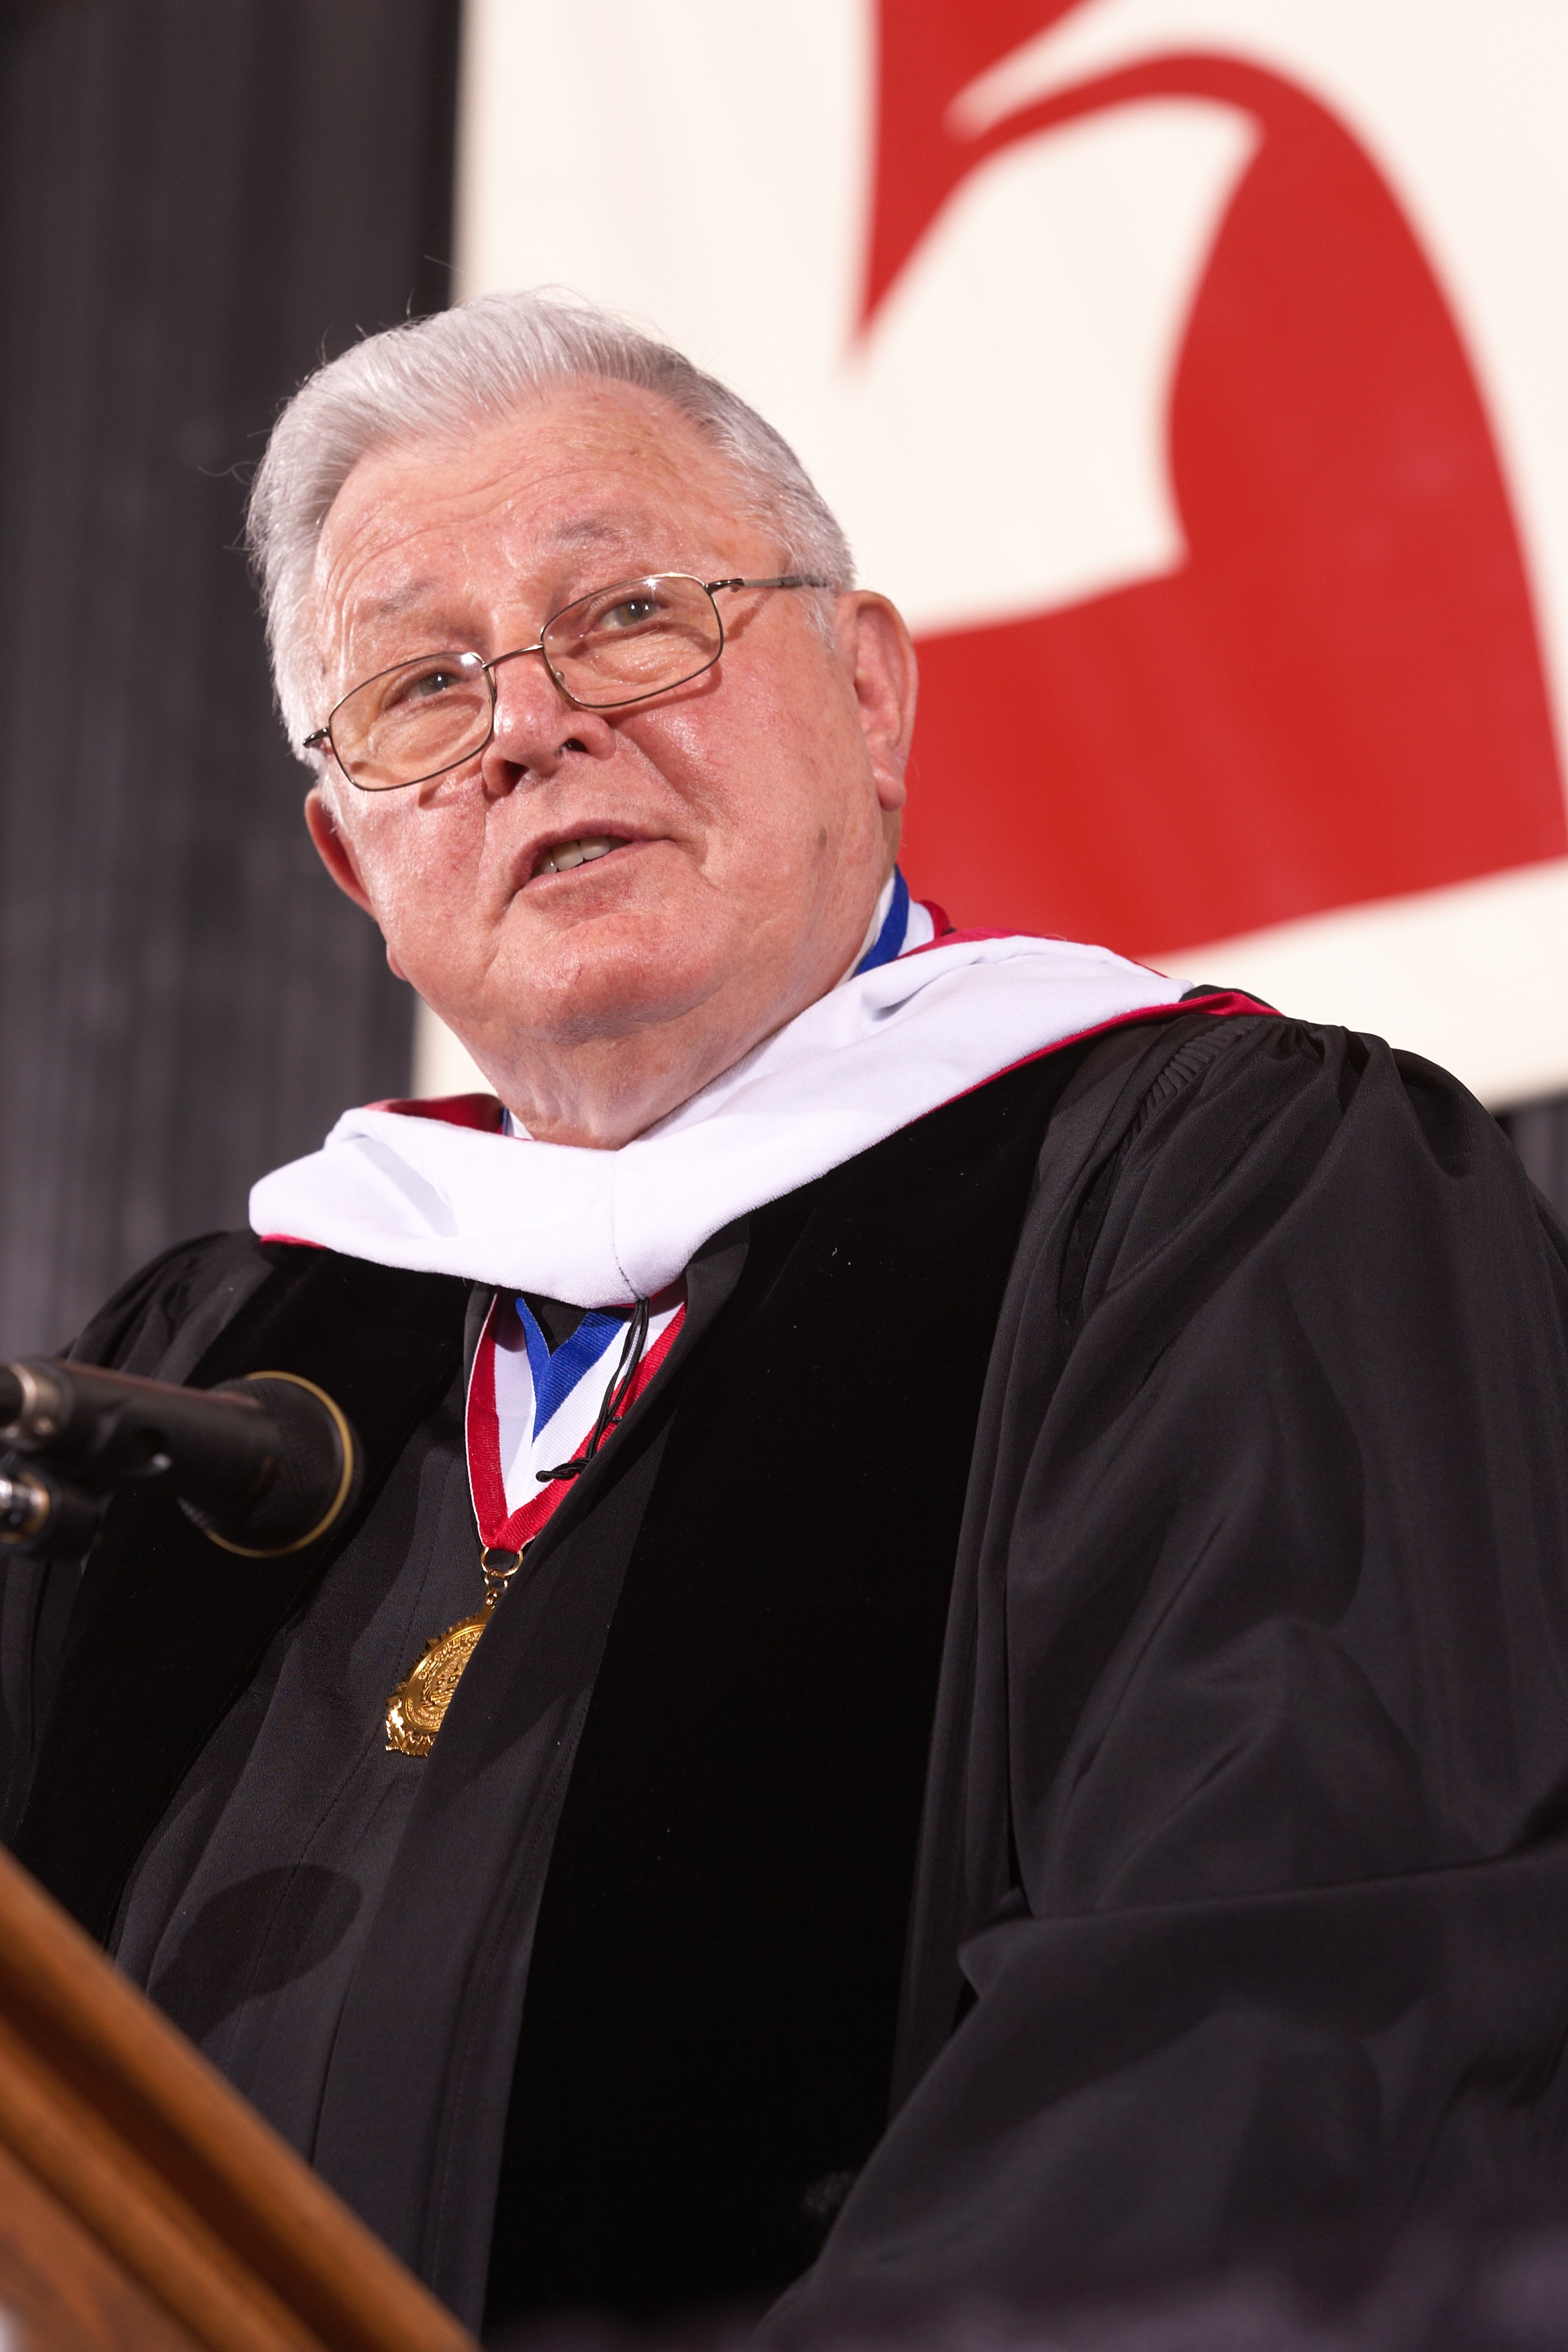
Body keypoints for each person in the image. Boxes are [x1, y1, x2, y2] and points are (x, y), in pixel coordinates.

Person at [5, 289, 1568, 2343]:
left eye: (633, 612)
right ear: (347, 855)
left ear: (870, 689)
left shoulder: (1223, 1198)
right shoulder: (217, 1376)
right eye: (416, 686)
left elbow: (1284, 2006)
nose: (529, 724)